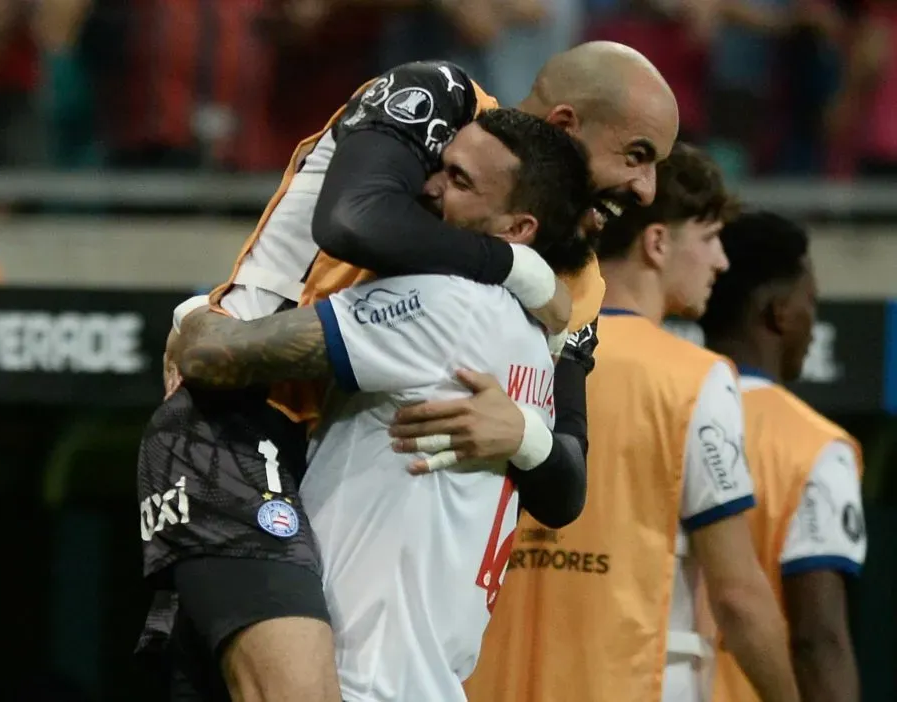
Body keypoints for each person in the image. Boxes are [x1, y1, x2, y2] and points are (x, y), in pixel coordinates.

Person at [145, 42, 677, 702]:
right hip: (237, 419)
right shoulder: (446, 106)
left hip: (328, 461)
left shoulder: (579, 283)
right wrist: (515, 266)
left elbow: (564, 488)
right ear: (566, 125)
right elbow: (354, 219)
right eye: (638, 155)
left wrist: (522, 435)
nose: (649, 189)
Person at [463, 144, 801, 702]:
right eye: (710, 237)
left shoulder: (512, 347)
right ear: (658, 242)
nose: (721, 261)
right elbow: (739, 596)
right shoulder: (695, 379)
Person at [700, 212, 867, 702]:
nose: (813, 323)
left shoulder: (663, 408)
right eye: (809, 302)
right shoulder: (814, 445)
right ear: (778, 312)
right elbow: (818, 639)